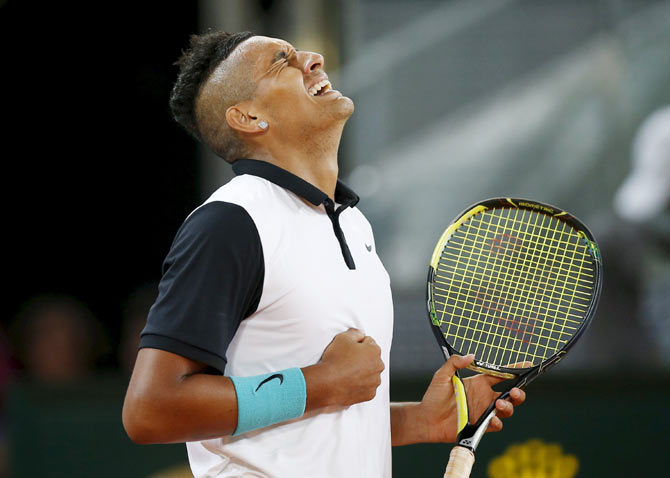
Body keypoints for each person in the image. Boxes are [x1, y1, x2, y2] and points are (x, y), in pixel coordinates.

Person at [122, 31, 526, 478]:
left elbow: (317, 421)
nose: (313, 59)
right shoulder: (231, 222)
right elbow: (150, 409)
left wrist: (420, 420)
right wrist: (320, 383)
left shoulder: (354, 225)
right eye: (282, 62)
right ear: (248, 116)